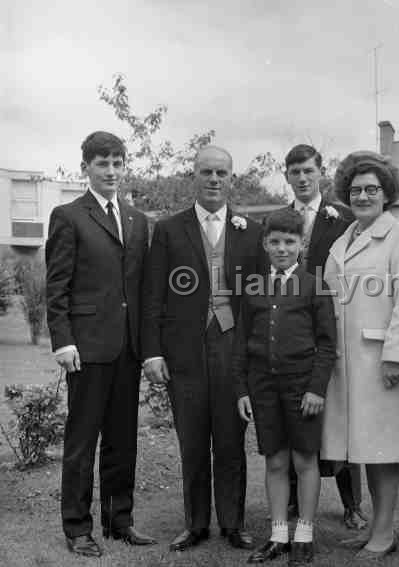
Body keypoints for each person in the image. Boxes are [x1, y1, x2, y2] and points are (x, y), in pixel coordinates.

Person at [142, 146, 264, 552]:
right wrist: (153, 352)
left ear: (232, 178)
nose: (214, 179)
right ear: (193, 175)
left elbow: (260, 297)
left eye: (222, 173)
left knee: (231, 440)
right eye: (207, 172)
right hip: (185, 351)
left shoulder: (252, 230)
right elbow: (153, 293)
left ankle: (232, 523)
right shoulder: (168, 229)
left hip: (234, 347)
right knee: (192, 441)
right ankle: (195, 524)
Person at [45, 131, 155, 557]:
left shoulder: (137, 220)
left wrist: (146, 346)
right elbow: (57, 287)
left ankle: (118, 520)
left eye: (117, 163)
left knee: (122, 440)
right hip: (86, 349)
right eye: (102, 163)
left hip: (127, 348)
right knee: (82, 442)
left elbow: (139, 288)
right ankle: (77, 528)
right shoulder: (68, 216)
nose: (111, 171)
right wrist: (62, 340)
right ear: (86, 167)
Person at [321, 151, 399, 561]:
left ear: (386, 194)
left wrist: (398, 356)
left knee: (382, 450)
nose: (362, 195)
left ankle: (384, 532)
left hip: (381, 361)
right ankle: (373, 530)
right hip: (346, 364)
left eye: (371, 189)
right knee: (361, 448)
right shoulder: (342, 238)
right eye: (356, 189)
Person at [233, 208, 337, 565]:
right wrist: (242, 389)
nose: (281, 248)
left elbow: (327, 345)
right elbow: (241, 343)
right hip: (263, 385)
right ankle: (279, 534)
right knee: (275, 459)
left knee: (304, 459)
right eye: (274, 242)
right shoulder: (253, 287)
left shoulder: (315, 286)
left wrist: (316, 389)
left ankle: (304, 533)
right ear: (265, 244)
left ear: (301, 244)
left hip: (301, 385)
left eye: (289, 242)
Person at [283, 144, 366, 529]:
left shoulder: (345, 217)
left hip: (336, 322)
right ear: (287, 176)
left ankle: (352, 504)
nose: (302, 178)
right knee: (295, 416)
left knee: (341, 414)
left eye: (308, 171)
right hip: (292, 331)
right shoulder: (279, 220)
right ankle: (294, 505)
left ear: (321, 174)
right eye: (295, 171)